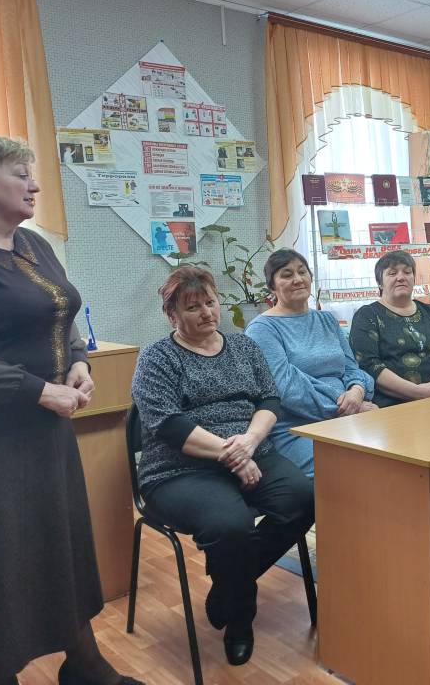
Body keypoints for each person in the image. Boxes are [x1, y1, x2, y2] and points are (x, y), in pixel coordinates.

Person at [0, 134, 142, 685]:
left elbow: (61, 314)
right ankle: (2, 677)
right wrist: (40, 391)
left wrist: (79, 362)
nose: (35, 185)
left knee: (58, 550)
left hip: (44, 433)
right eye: (21, 174)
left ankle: (85, 665)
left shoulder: (32, 244)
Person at [130, 265, 314, 667]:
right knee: (230, 525)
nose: (206, 313)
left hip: (252, 451)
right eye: (193, 307)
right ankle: (240, 619)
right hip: (179, 470)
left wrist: (249, 443)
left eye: (210, 303)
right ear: (172, 315)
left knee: (305, 498)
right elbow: (168, 424)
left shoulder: (244, 347)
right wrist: (232, 454)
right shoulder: (157, 357)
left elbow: (269, 400)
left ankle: (229, 588)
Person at [245, 249, 376, 478]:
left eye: (302, 272)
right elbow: (287, 389)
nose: (297, 279)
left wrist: (357, 391)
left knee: (398, 454)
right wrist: (345, 408)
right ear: (272, 287)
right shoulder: (262, 329)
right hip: (298, 426)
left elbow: (350, 367)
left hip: (349, 412)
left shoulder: (327, 319)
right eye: (286, 275)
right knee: (351, 470)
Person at [349, 250, 430, 407]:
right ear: (380, 283)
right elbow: (368, 365)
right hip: (395, 405)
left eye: (407, 272)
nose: (401, 277)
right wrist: (417, 392)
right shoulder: (367, 315)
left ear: (413, 278)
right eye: (392, 273)